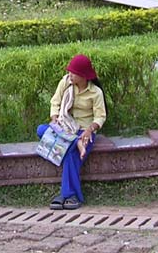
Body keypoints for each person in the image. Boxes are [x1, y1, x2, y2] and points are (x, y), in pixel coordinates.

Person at [35, 54, 106, 210]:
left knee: (70, 155)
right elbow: (55, 102)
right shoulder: (65, 83)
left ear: (83, 76)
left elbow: (100, 116)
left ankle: (68, 195)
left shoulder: (95, 93)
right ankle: (76, 144)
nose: (70, 75)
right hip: (64, 128)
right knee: (41, 129)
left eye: (73, 73)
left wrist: (88, 131)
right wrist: (54, 119)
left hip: (84, 133)